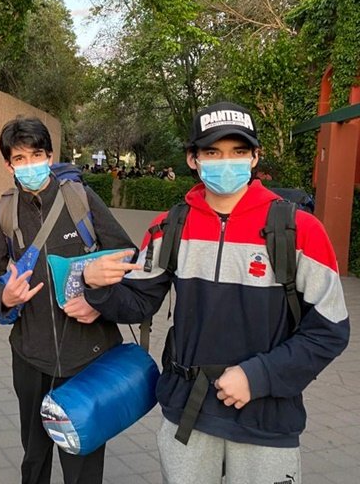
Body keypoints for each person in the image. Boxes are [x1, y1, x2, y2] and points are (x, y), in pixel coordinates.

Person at [82, 101, 350, 484]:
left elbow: (330, 329)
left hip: (266, 419)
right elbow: (138, 303)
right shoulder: (169, 227)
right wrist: (96, 285)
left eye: (238, 151)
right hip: (187, 415)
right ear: (193, 159)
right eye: (212, 152)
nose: (226, 162)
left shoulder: (300, 230)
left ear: (255, 157)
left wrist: (258, 376)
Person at [0, 116, 135, 484]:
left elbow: (126, 254)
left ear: (50, 156)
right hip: (30, 355)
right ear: (8, 165)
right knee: (34, 456)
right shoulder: (4, 212)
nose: (29, 165)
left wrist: (96, 300)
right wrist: (2, 296)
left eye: (37, 155)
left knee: (83, 462)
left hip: (88, 355)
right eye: (19, 158)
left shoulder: (80, 199)